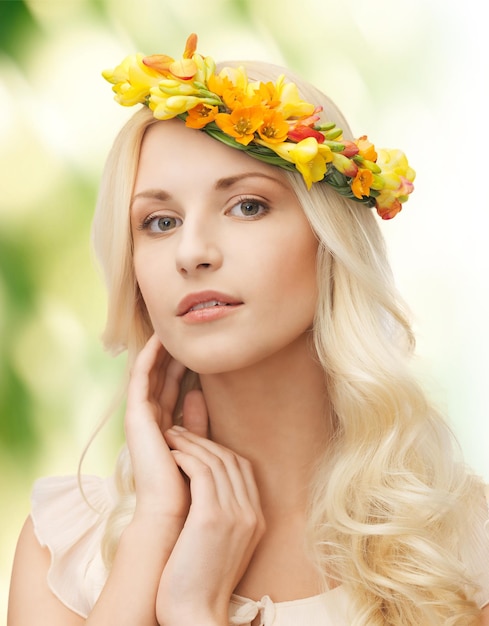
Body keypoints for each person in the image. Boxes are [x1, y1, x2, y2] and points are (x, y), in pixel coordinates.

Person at [7, 33, 489, 626]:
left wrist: (192, 610)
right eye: (159, 222)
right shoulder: (67, 548)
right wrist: (151, 532)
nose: (193, 252)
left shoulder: (464, 546)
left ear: (329, 241)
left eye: (247, 206)